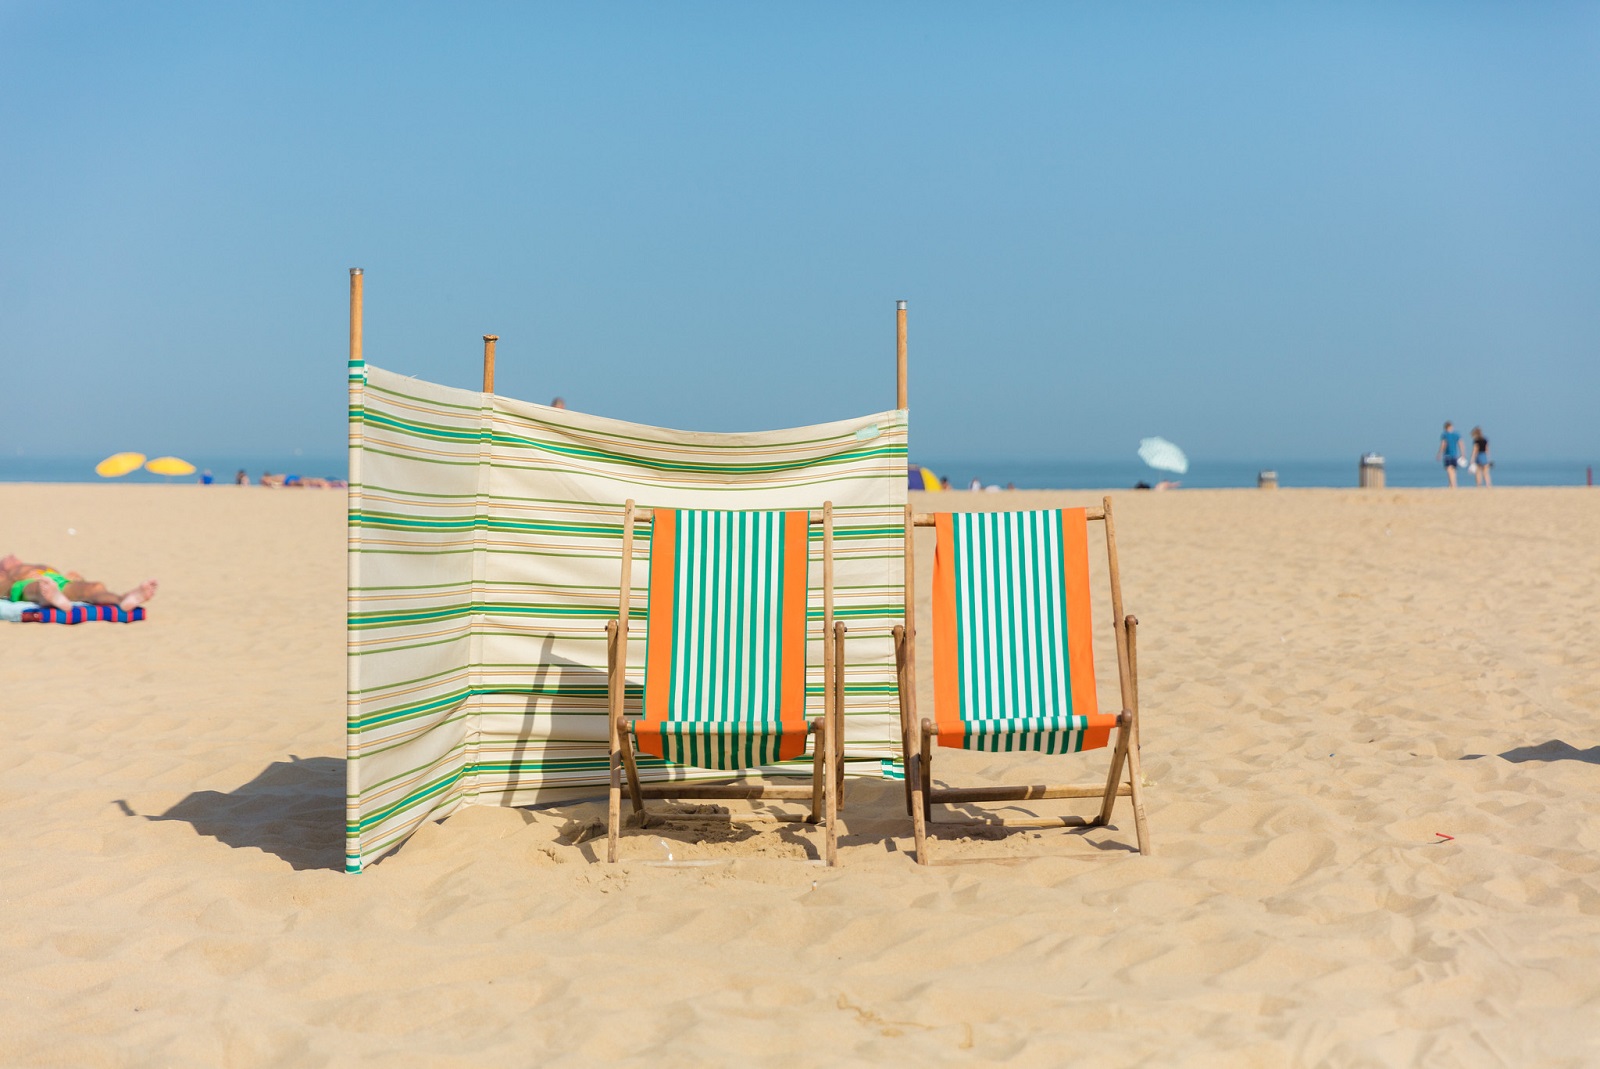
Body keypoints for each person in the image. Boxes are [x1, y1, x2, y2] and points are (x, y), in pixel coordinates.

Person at [1, 554, 157, 612]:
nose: (12, 556)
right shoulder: (6, 575)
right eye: (6, 559)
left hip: (58, 581)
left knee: (95, 587)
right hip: (25, 585)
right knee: (38, 588)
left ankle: (123, 600)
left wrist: (76, 579)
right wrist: (15, 579)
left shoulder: (34, 565)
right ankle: (51, 598)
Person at [1435, 421, 1463, 488]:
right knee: (1453, 470)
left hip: (1448, 454)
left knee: (1449, 469)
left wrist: (1439, 453)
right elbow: (1461, 444)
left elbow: (1443, 444)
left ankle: (1453, 485)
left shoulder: (1445, 435)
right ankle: (1452, 484)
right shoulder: (1456, 434)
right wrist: (1462, 453)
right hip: (1455, 455)